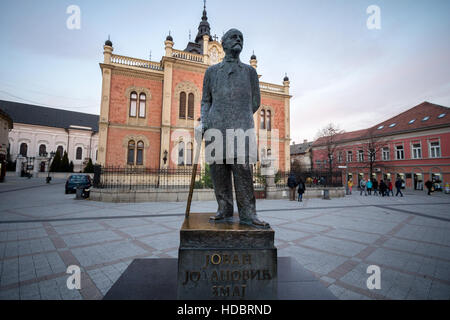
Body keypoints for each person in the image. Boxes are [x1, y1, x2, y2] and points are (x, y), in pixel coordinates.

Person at [200, 28, 268, 228]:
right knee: (218, 173)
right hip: (216, 129)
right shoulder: (211, 72)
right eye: (233, 37)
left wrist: (238, 114)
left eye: (241, 38)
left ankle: (248, 214)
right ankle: (224, 209)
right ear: (223, 44)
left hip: (242, 129)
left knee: (243, 173)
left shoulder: (250, 72)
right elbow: (205, 101)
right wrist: (206, 121)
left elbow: (255, 102)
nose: (238, 39)